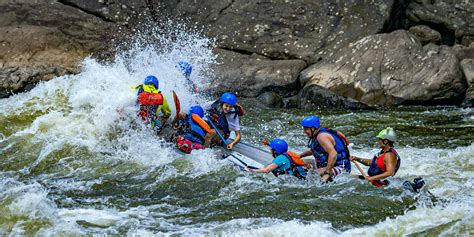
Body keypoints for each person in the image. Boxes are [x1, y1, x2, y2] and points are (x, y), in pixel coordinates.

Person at [299, 115, 351, 182]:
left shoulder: (322, 136)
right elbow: (316, 151)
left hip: (341, 168)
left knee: (312, 175)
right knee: (300, 162)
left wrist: (327, 173)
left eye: (306, 129)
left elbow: (333, 153)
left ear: (313, 128)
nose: (304, 131)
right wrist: (299, 156)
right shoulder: (318, 134)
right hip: (329, 165)